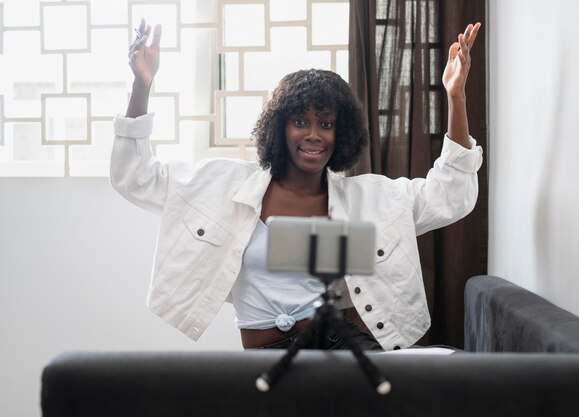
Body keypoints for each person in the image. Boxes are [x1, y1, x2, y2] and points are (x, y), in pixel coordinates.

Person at [111, 19, 483, 351]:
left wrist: (456, 98)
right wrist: (141, 86)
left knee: (442, 372)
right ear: (279, 127)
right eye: (300, 122)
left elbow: (450, 196)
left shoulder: (366, 200)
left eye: (325, 123)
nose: (314, 135)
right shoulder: (222, 186)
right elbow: (135, 177)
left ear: (342, 133)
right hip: (266, 356)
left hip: (342, 347)